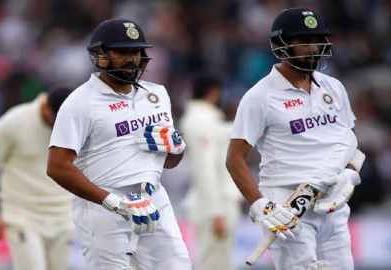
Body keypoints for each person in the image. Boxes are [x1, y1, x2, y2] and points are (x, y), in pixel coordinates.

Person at [226, 7, 365, 270]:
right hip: (288, 207)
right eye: (304, 41)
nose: (313, 48)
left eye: (317, 41)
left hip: (332, 202)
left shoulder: (334, 87)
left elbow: (349, 140)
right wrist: (261, 206)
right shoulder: (260, 97)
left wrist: (350, 174)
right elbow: (234, 159)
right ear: (281, 45)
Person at [46, 18, 192, 270]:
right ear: (100, 55)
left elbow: (168, 162)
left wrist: (177, 148)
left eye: (136, 51)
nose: (132, 58)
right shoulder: (80, 101)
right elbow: (57, 167)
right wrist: (113, 202)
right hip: (103, 206)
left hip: (154, 198)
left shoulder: (156, 95)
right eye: (122, 51)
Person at [0, 87, 74, 270]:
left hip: (64, 216)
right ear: (45, 108)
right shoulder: (14, 121)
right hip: (22, 215)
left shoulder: (77, 125)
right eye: (56, 121)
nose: (60, 128)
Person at [180, 73, 242, 270]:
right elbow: (205, 168)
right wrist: (216, 212)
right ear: (215, 93)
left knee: (220, 263)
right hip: (215, 205)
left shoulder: (206, 119)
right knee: (214, 265)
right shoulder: (200, 120)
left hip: (217, 201)